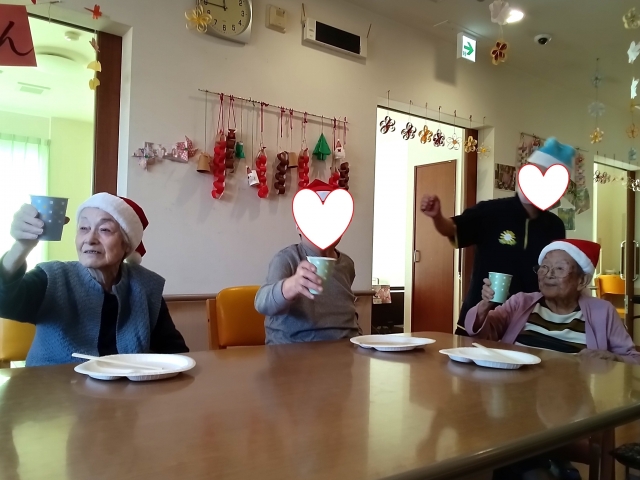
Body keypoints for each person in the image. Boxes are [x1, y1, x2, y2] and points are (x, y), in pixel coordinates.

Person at [0, 193, 188, 367]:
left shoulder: (145, 286)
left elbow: (175, 353)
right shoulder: (53, 277)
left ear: (126, 244)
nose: (90, 239)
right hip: (52, 389)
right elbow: (4, 302)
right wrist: (21, 246)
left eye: (105, 229)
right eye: (84, 228)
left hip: (125, 391)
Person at [421, 137, 572, 335]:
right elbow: (454, 229)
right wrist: (437, 217)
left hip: (529, 325)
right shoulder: (492, 211)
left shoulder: (555, 226)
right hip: (480, 318)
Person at [465, 239, 640, 364]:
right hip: (516, 389)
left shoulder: (602, 311)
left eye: (559, 268)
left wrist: (613, 358)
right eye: (544, 267)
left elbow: (633, 359)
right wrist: (485, 306)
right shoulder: (521, 302)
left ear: (582, 281)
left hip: (573, 394)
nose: (548, 274)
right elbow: (483, 336)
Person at [255, 180, 360, 344]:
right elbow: (262, 303)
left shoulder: (347, 264)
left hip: (346, 348)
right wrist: (290, 286)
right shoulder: (286, 259)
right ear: (299, 226)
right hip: (294, 350)